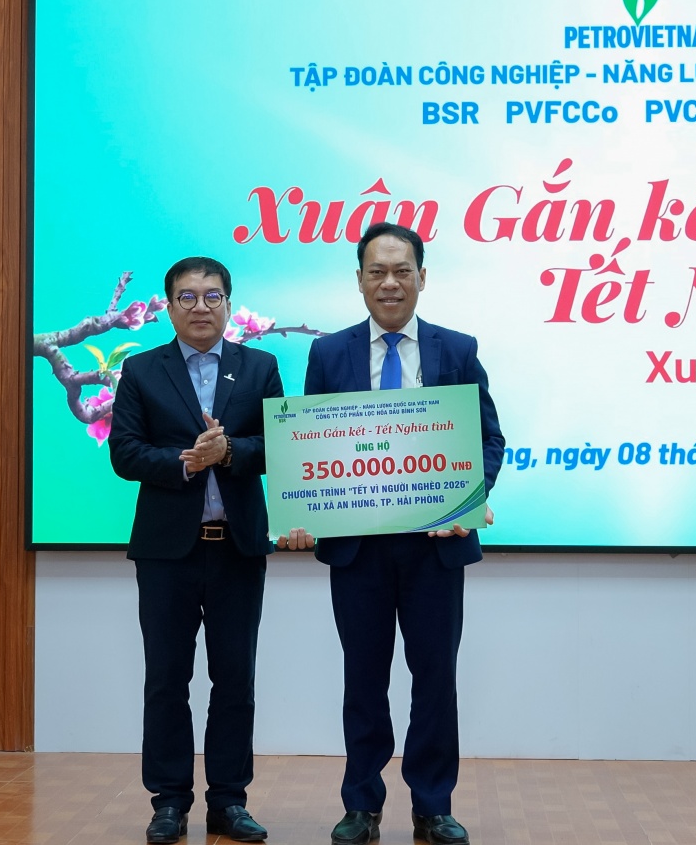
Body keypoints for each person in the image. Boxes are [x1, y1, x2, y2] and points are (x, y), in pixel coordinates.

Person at [285, 222, 504, 845]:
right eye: (377, 272)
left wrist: (469, 497)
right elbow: (310, 443)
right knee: (363, 679)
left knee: (435, 679)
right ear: (359, 281)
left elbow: (488, 439)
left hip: (436, 548)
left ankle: (433, 805)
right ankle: (362, 804)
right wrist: (302, 505)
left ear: (422, 278)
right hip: (358, 549)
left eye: (402, 271)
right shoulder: (329, 354)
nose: (390, 283)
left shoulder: (456, 349)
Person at [109, 257, 282, 844]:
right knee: (166, 679)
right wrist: (188, 461)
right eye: (187, 296)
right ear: (169, 307)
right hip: (167, 553)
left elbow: (279, 446)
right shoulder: (141, 370)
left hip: (237, 549)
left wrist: (228, 452)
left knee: (235, 680)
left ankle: (229, 801)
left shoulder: (259, 367)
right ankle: (168, 801)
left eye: (212, 296)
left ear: (229, 303)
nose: (200, 306)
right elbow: (124, 452)